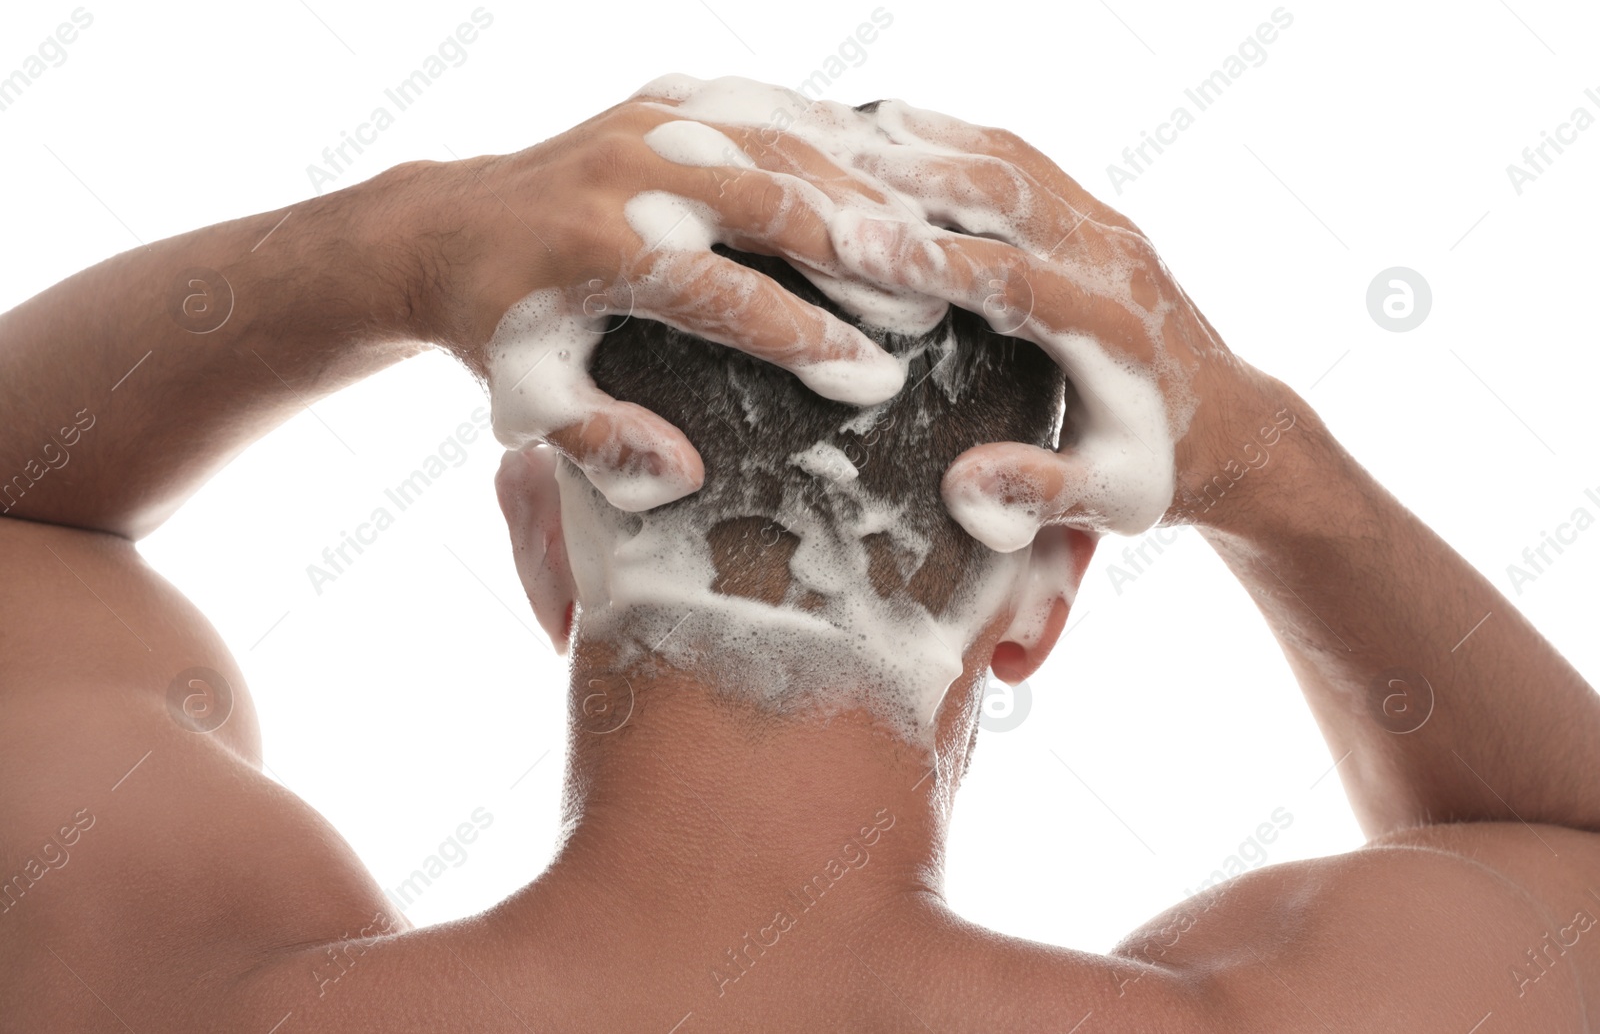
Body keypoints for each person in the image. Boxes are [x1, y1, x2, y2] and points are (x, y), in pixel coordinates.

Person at [1, 79, 1596, 1033]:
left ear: (542, 540)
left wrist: (399, 244)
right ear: (1043, 600)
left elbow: (25, 520)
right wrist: (1269, 464)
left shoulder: (164, 985)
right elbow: (1560, 846)